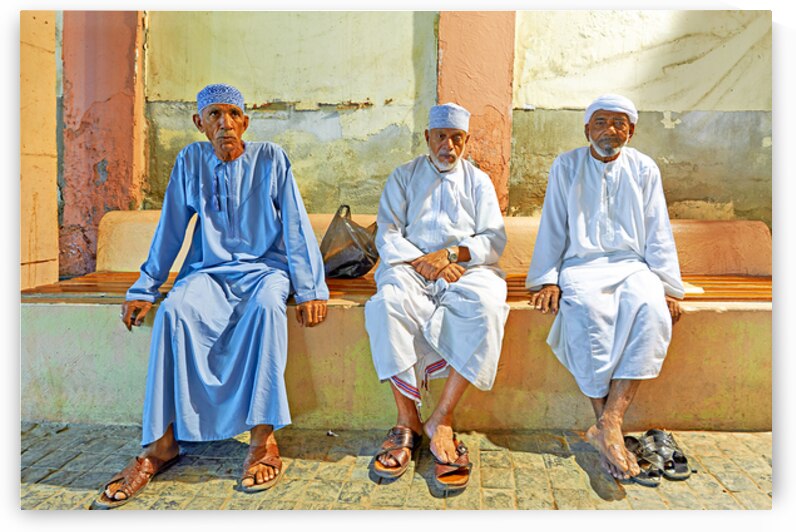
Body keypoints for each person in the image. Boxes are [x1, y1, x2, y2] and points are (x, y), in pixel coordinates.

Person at [91, 84, 329, 509]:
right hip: (209, 272)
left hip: (265, 271)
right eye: (215, 115)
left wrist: (310, 288)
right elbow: (170, 230)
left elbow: (296, 225)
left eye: (233, 114)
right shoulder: (189, 162)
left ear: (246, 122)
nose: (225, 124)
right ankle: (160, 446)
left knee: (268, 308)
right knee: (174, 313)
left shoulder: (271, 158)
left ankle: (262, 438)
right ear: (199, 124)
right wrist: (146, 286)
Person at [525, 94, 684, 483]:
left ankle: (608, 422)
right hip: (581, 266)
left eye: (618, 123)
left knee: (651, 310)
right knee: (583, 312)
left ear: (631, 131)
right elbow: (553, 225)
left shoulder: (644, 168)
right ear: (586, 130)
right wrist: (548, 277)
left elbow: (658, 229)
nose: (609, 131)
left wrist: (666, 284)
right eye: (600, 122)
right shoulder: (566, 165)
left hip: (633, 267)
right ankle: (607, 427)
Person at [364, 103, 509, 492]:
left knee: (488, 305)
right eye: (441, 136)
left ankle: (441, 419)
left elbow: (493, 238)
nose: (449, 145)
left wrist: (451, 255)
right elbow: (388, 235)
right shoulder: (404, 177)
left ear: (465, 141)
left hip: (465, 269)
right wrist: (423, 261)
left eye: (457, 138)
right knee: (386, 306)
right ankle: (406, 419)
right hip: (410, 268)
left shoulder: (478, 182)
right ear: (427, 138)